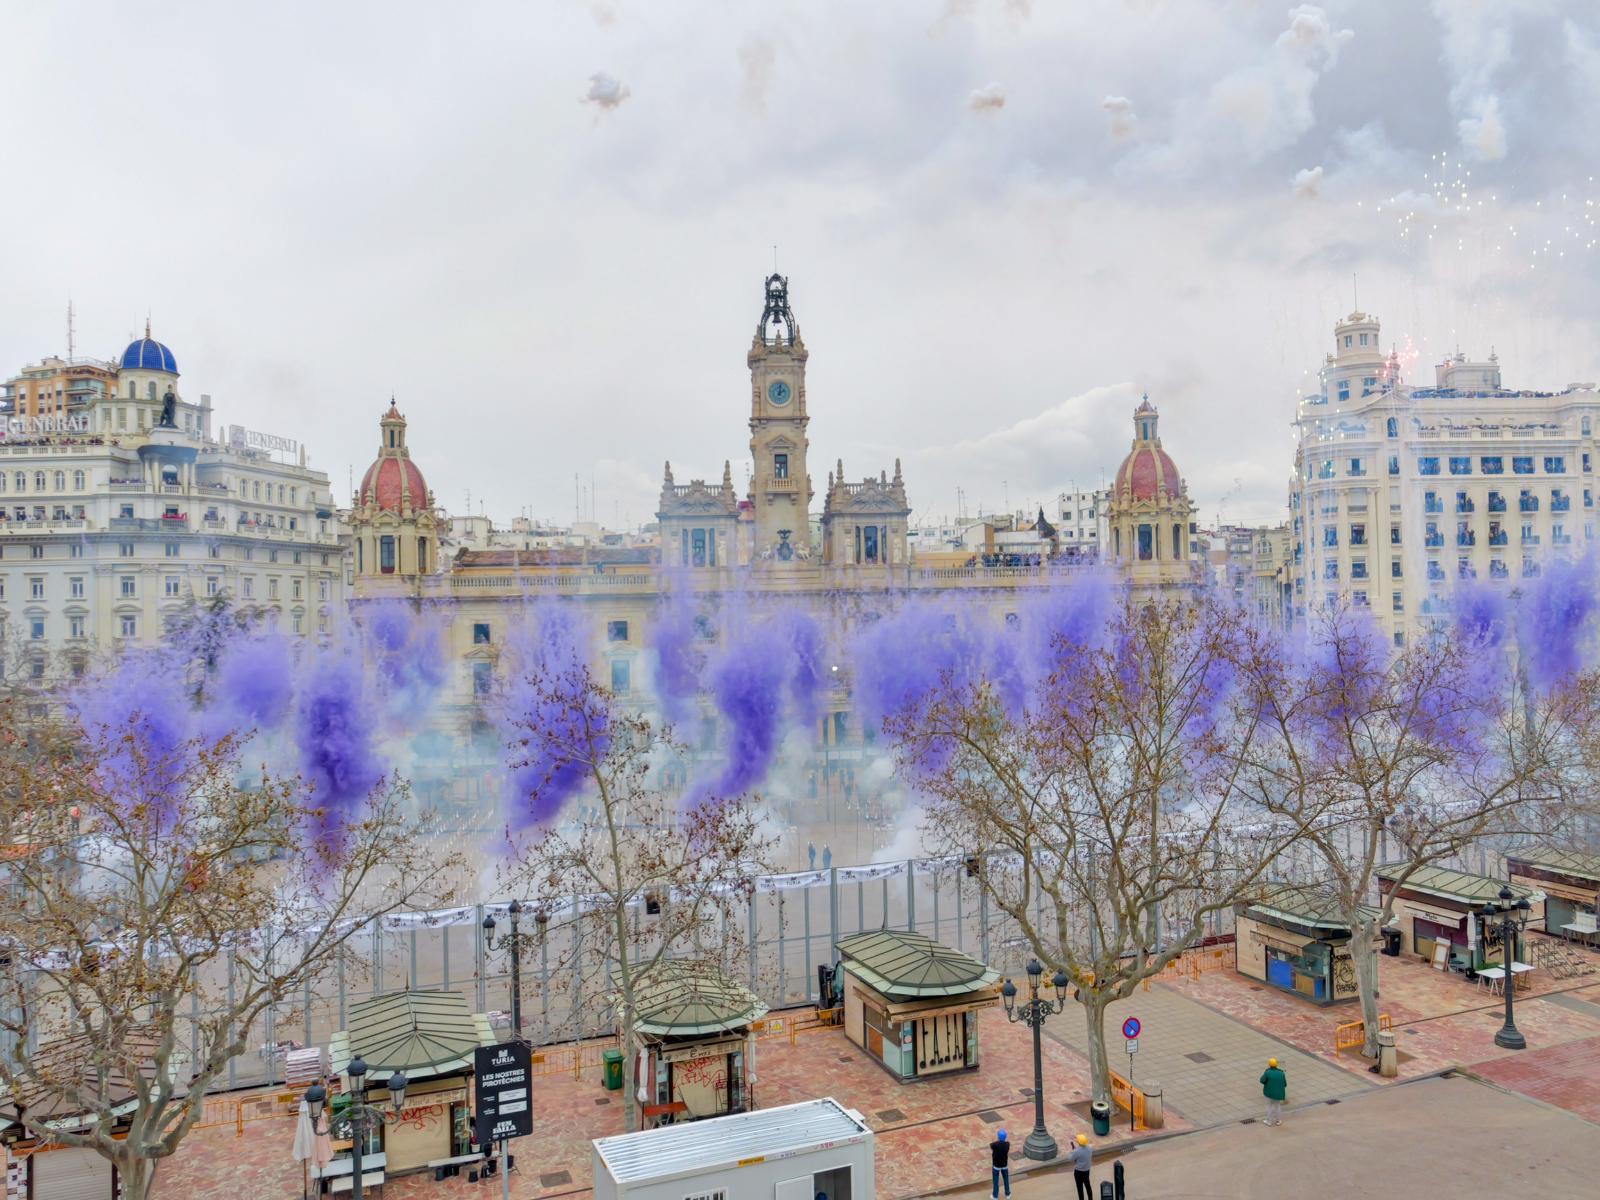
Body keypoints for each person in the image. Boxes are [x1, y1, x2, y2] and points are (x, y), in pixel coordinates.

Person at [1260, 1056, 1287, 1126]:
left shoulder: (1267, 1072)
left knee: (1269, 1107)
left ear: (1269, 1064)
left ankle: (1269, 1121)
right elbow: (1285, 1084)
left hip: (1268, 1093)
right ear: (1276, 1064)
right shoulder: (1281, 1072)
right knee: (1277, 1106)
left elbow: (1262, 1080)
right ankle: (1278, 1120)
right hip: (1278, 1093)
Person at [1070, 1133, 1093, 1200]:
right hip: (1087, 1171)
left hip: (1078, 1172)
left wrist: (1072, 1152)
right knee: (1088, 1186)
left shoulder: (1076, 1151)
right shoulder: (1090, 1149)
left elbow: (1071, 1159)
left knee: (1080, 1188)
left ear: (1078, 1142)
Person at [988, 1128, 1011, 1198]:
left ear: (998, 1137)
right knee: (1006, 1179)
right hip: (1004, 1165)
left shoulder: (994, 1145)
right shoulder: (1007, 1144)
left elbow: (991, 1145)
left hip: (996, 1165)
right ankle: (1008, 1193)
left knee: (995, 1181)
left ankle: (995, 1195)